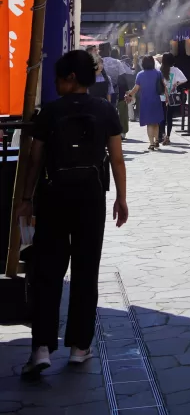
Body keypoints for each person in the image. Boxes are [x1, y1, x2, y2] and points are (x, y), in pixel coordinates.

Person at [17, 50, 128, 379]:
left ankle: (41, 348)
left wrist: (25, 197)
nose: (55, 83)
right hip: (91, 197)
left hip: (53, 197)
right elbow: (118, 159)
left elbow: (35, 160)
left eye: (58, 78)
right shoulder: (105, 110)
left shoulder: (49, 113)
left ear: (69, 79)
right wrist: (121, 198)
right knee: (85, 270)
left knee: (47, 271)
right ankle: (80, 346)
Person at [125, 55, 166, 150]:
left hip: (145, 101)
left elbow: (136, 88)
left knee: (149, 123)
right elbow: (163, 86)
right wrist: (166, 97)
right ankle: (156, 141)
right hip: (156, 100)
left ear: (143, 63)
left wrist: (129, 95)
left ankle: (151, 143)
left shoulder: (140, 74)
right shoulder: (158, 73)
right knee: (156, 122)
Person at [160, 53, 187, 146]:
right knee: (169, 117)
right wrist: (176, 84)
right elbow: (184, 79)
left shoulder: (160, 69)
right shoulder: (175, 70)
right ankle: (168, 136)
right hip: (172, 96)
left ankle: (163, 136)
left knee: (162, 117)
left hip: (162, 96)